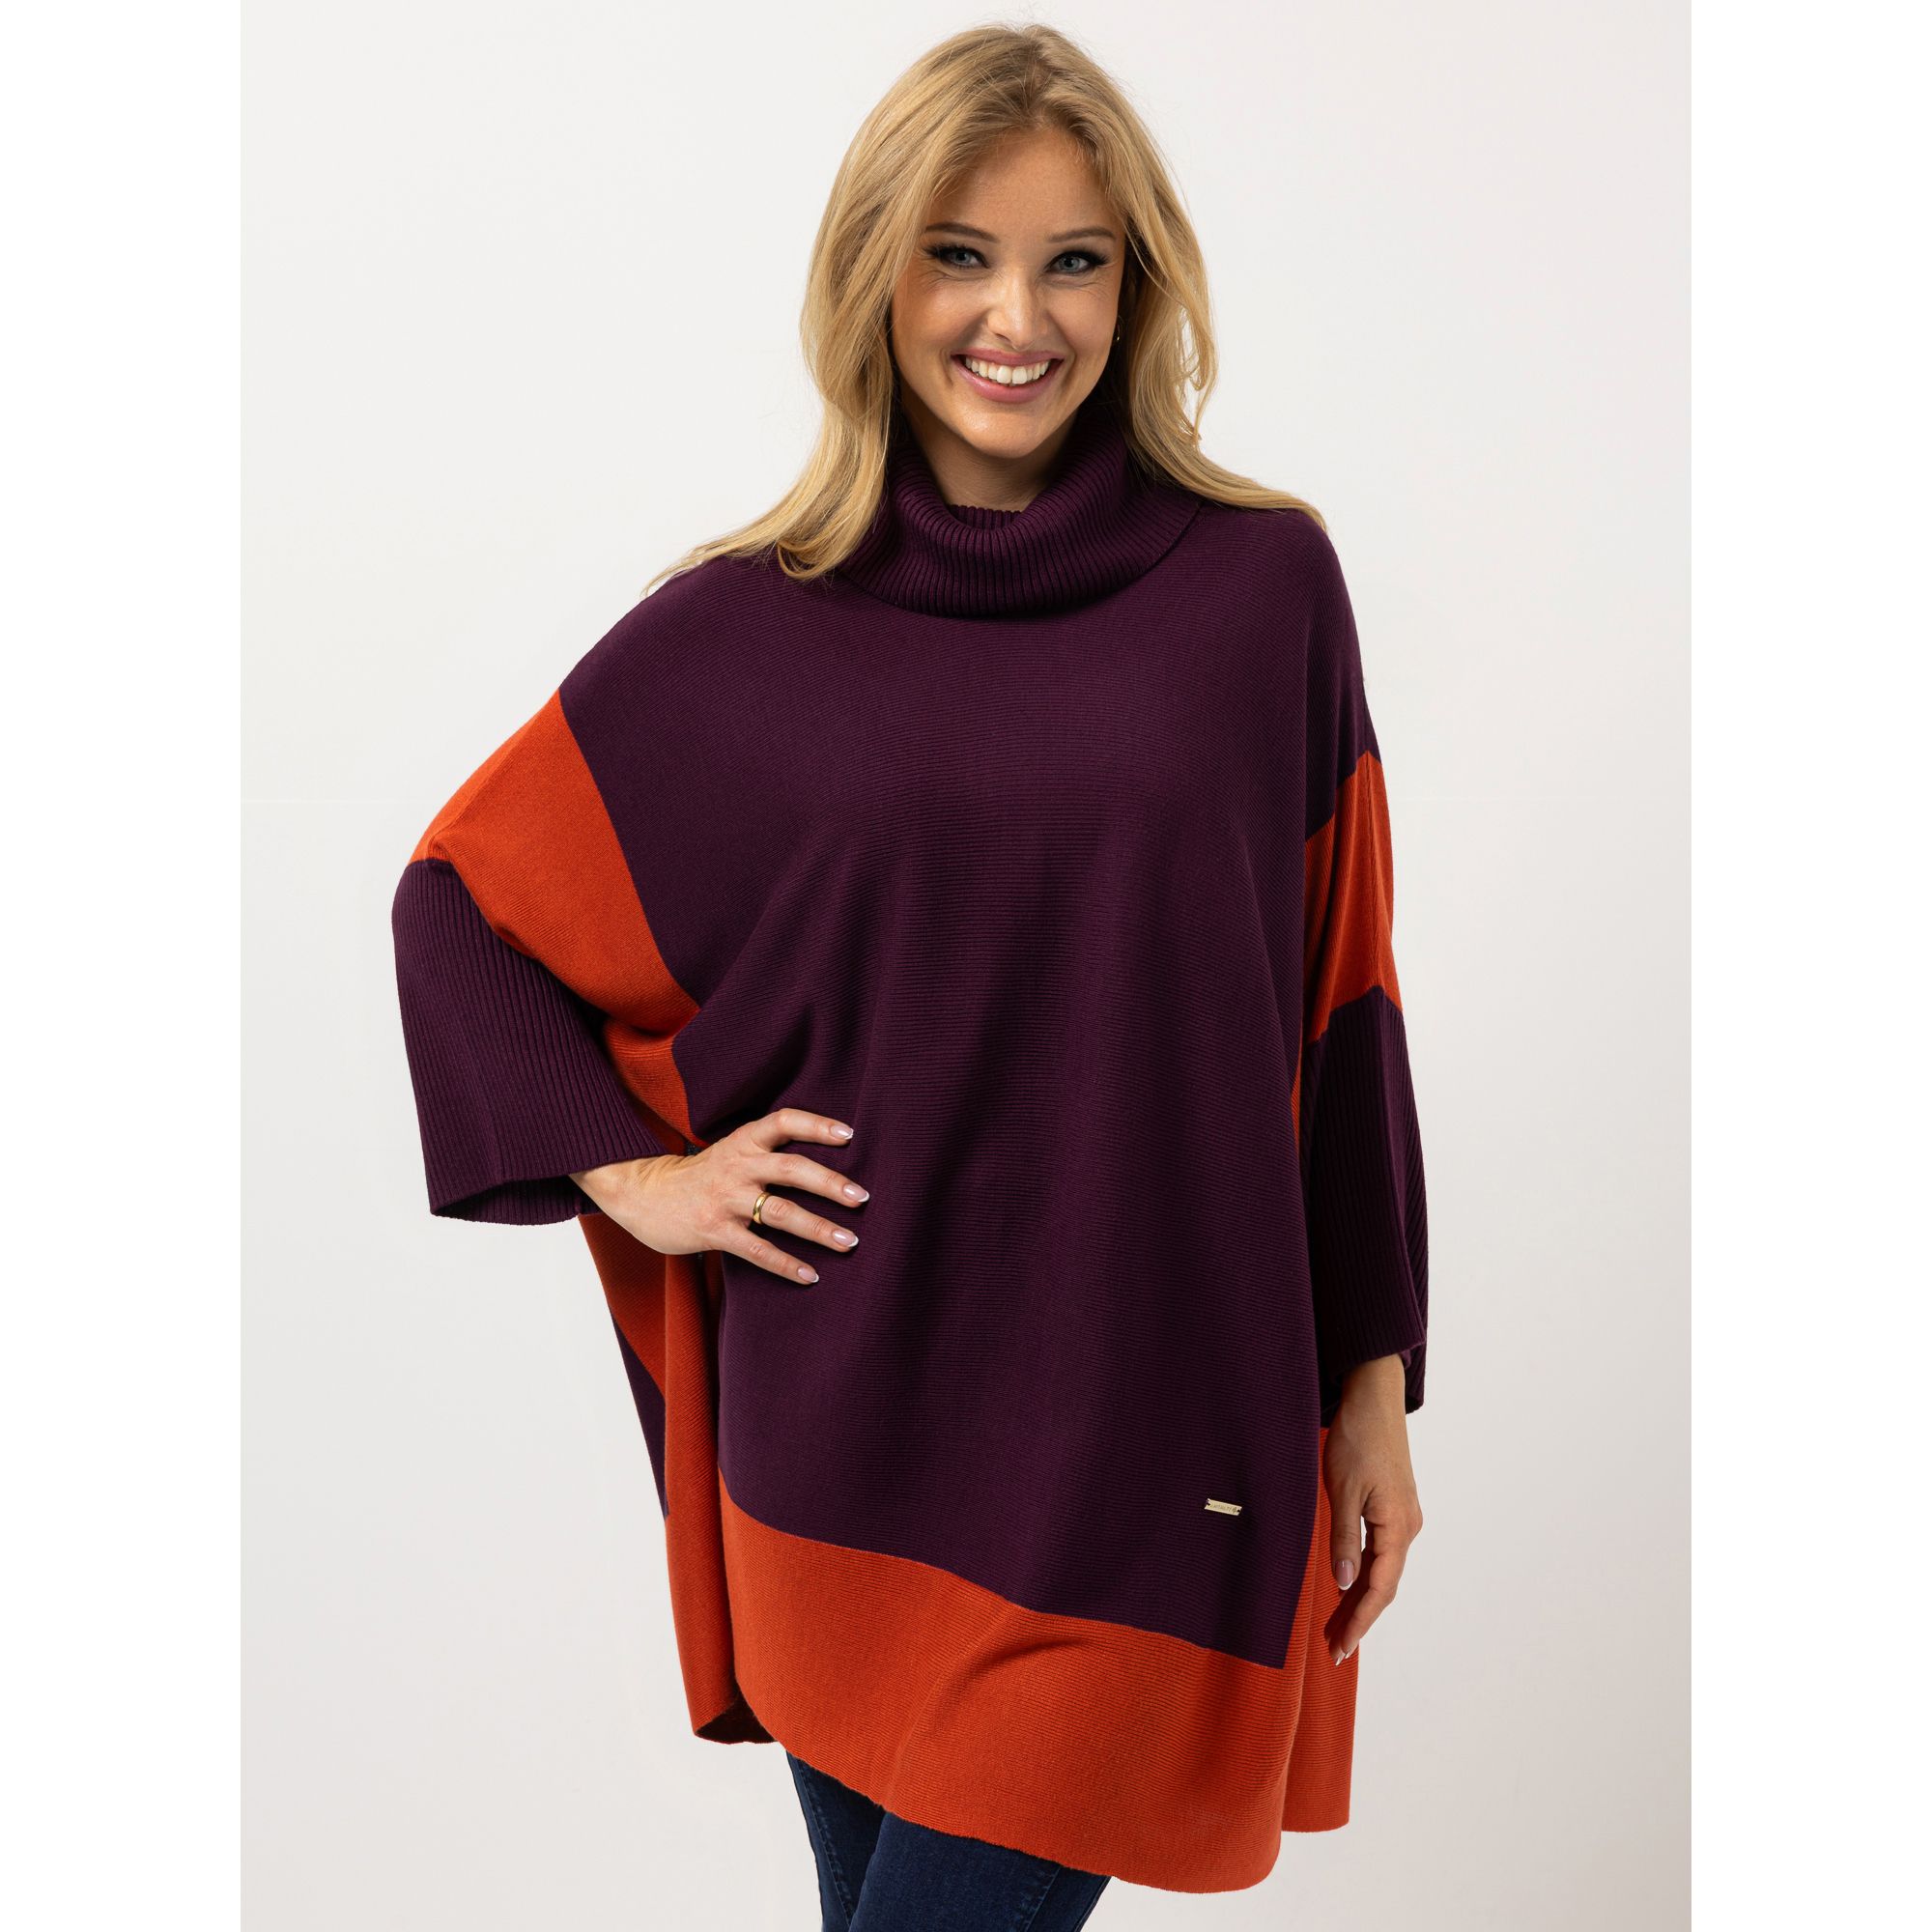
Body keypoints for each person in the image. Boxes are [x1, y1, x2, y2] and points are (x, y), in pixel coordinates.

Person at [390, 21, 1429, 1925]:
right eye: (959, 254)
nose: (1014, 316)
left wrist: (1371, 1384)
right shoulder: (744, 627)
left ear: (1137, 284)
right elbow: (461, 909)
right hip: (842, 1448)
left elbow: (1338, 998)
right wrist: (642, 1175)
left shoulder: (1261, 588)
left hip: (1152, 1455)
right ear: (876, 273)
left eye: (1071, 259)